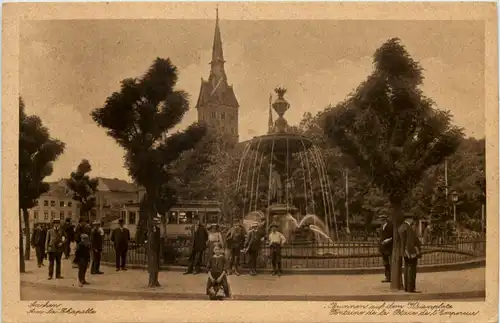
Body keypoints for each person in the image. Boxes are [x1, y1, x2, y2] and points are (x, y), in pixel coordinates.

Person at [398, 214, 422, 293]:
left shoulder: (401, 227)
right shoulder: (409, 228)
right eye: (412, 219)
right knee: (411, 270)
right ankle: (411, 288)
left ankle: (407, 288)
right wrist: (414, 253)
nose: (413, 221)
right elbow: (410, 242)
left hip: (404, 252)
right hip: (410, 252)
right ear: (409, 219)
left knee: (406, 269)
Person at [378, 214, 393, 283]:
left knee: (389, 263)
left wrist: (388, 240)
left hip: (388, 247)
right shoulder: (382, 226)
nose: (380, 221)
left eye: (382, 220)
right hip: (383, 247)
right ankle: (387, 277)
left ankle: (390, 277)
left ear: (384, 220)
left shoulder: (389, 226)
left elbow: (393, 236)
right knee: (385, 263)